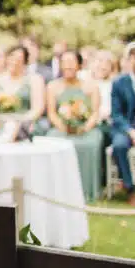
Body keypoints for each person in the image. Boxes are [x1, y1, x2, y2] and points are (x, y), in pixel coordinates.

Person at [45, 50, 104, 203]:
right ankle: (55, 190)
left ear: (79, 65)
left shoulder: (91, 86)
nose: (68, 66)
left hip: (86, 129)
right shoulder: (53, 86)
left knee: (90, 144)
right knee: (52, 142)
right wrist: (63, 127)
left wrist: (84, 128)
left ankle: (87, 191)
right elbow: (52, 114)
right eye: (64, 63)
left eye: (71, 62)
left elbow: (95, 113)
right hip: (61, 129)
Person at [108, 43, 135, 206]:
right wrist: (130, 131)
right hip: (124, 127)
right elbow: (116, 114)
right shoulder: (119, 82)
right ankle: (130, 189)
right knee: (119, 145)